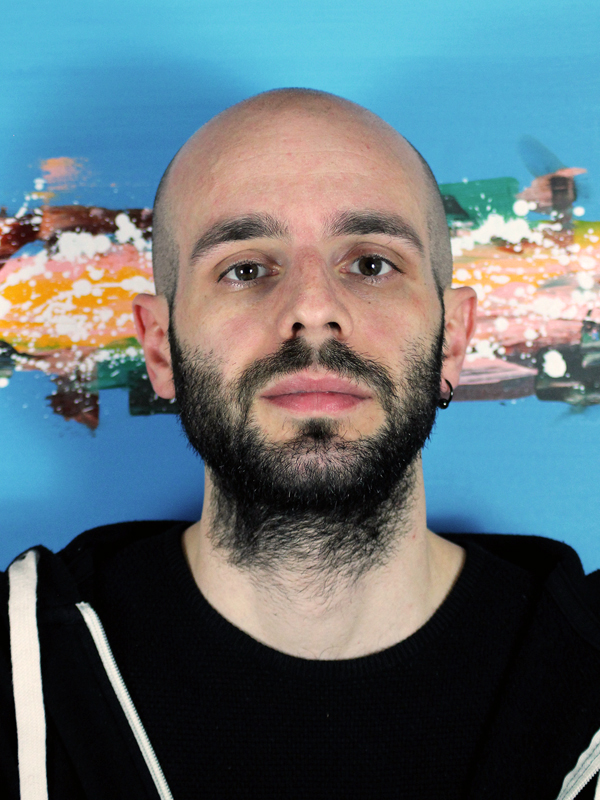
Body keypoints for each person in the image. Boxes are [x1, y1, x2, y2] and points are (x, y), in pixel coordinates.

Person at [2, 88, 600, 800]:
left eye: (371, 264)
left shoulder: (584, 680)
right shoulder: (20, 674)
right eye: (246, 269)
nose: (313, 310)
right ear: (159, 348)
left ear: (454, 338)